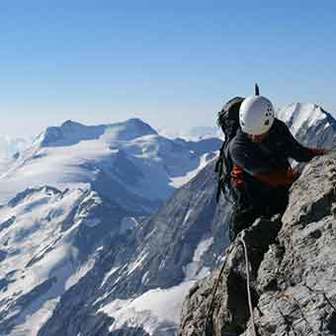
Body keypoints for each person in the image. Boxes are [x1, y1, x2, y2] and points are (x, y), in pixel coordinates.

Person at [228, 95, 328, 239]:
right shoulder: (237, 148)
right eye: (250, 134)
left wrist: (328, 154)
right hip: (250, 198)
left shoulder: (278, 129)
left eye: (259, 134)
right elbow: (271, 178)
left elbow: (300, 153)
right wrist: (300, 178)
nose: (254, 138)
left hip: (277, 190)